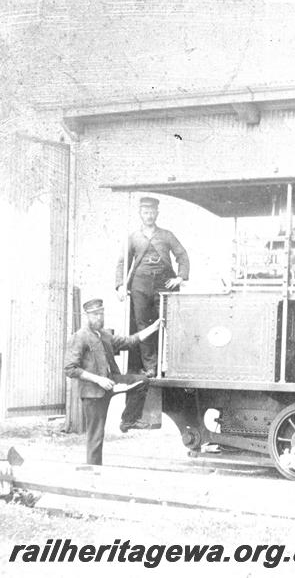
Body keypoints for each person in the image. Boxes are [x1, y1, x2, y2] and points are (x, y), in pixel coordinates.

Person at [64, 298, 161, 465]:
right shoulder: (79, 337)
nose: (99, 318)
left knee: (143, 381)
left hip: (112, 382)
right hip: (93, 392)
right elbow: (70, 369)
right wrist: (98, 379)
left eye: (101, 314)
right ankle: (94, 471)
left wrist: (154, 327)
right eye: (95, 314)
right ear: (86, 316)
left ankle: (128, 420)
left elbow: (130, 341)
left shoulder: (105, 335)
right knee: (96, 435)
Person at [115, 196, 189, 377]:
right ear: (140, 213)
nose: (149, 215)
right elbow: (122, 261)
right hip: (140, 285)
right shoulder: (133, 237)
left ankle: (171, 366)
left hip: (164, 285)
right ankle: (150, 367)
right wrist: (120, 286)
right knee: (142, 325)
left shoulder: (166, 235)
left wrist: (180, 277)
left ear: (157, 213)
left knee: (168, 322)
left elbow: (182, 255)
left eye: (152, 212)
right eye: (145, 212)